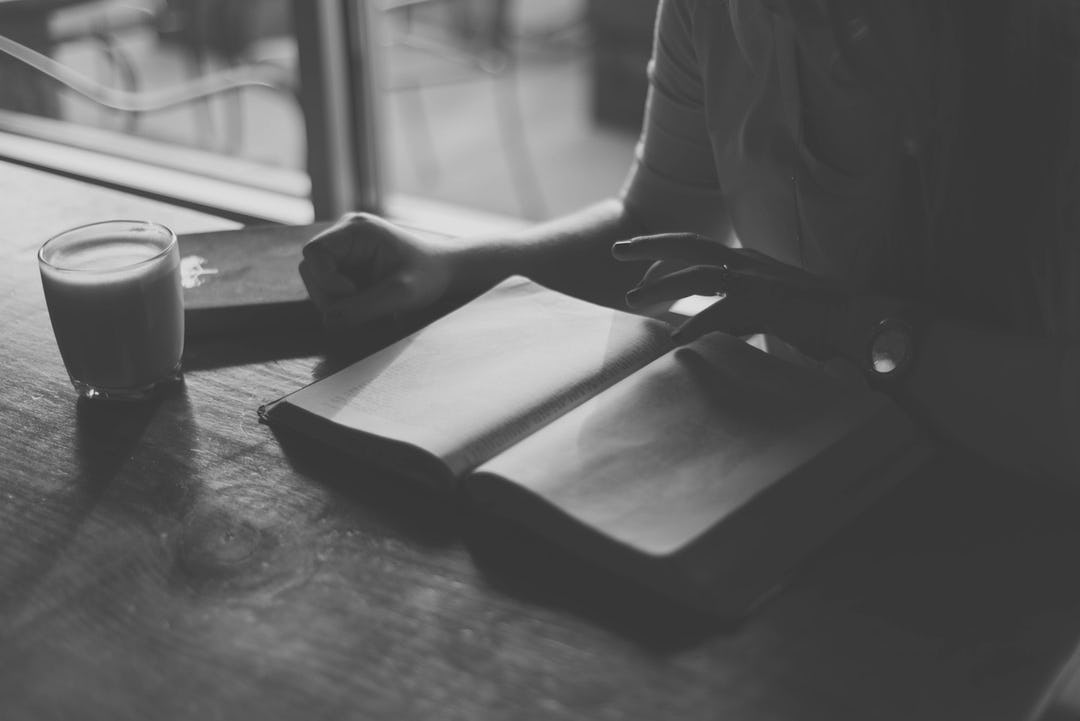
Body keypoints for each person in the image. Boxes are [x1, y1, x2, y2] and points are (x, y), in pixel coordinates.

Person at [299, 0, 1080, 486]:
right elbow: (657, 226)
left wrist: (851, 328)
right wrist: (452, 265)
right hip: (812, 488)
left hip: (1010, 528)